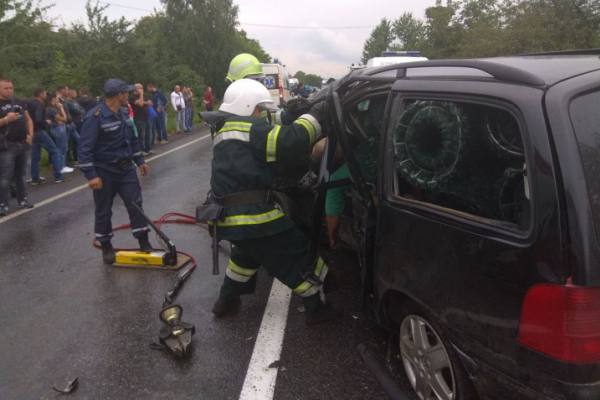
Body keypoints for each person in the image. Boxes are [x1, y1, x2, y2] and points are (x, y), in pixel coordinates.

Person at [198, 79, 340, 325]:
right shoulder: (248, 128)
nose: (261, 114)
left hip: (227, 216)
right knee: (297, 253)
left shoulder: (223, 128)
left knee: (246, 254)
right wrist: (315, 116)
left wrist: (291, 114)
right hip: (252, 215)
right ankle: (316, 307)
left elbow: (269, 132)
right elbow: (292, 140)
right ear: (247, 106)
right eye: (259, 109)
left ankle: (225, 301)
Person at [78, 79, 153, 265]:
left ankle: (144, 241)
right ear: (119, 96)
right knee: (103, 210)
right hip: (104, 172)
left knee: (136, 205)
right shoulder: (94, 117)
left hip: (126, 169)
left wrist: (140, 160)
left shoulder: (125, 112)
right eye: (126, 93)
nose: (129, 96)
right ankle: (106, 246)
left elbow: (133, 138)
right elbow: (84, 150)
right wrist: (91, 175)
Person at [0, 79, 34, 216]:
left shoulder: (18, 102)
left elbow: (28, 119)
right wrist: (6, 120)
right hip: (7, 145)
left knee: (22, 175)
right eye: (6, 88)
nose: (9, 90)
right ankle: (3, 204)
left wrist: (30, 135)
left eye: (11, 88)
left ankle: (23, 199)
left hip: (23, 143)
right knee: (5, 177)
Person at [27, 87, 71, 185]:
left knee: (35, 155)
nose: (46, 95)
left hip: (32, 132)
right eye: (44, 93)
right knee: (54, 151)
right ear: (40, 94)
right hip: (40, 131)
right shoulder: (38, 105)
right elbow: (38, 119)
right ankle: (58, 176)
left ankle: (35, 178)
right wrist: (46, 122)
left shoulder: (30, 103)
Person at [45, 93, 72, 174]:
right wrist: (62, 108)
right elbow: (64, 118)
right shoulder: (51, 109)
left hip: (59, 128)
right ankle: (61, 167)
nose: (58, 99)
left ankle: (62, 165)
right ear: (53, 99)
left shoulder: (53, 108)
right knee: (62, 148)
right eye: (56, 98)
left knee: (64, 147)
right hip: (57, 129)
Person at [56, 85, 80, 168]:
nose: (68, 91)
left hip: (71, 124)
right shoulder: (57, 100)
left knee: (79, 141)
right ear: (62, 90)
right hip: (65, 125)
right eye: (66, 90)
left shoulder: (64, 100)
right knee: (65, 146)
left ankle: (72, 161)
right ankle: (64, 164)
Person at [129, 83, 154, 156]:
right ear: (136, 89)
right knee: (141, 136)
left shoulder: (144, 96)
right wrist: (141, 95)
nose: (142, 90)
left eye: (142, 88)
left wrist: (143, 101)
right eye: (141, 88)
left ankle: (148, 149)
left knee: (148, 134)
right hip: (139, 119)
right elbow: (140, 104)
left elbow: (150, 103)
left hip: (146, 117)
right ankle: (141, 150)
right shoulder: (132, 97)